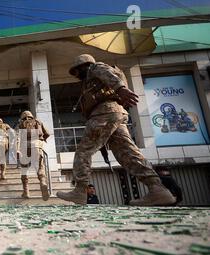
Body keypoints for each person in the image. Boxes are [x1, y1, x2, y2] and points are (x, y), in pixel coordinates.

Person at [56, 54, 176, 206]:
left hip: (104, 113)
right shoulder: (90, 81)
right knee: (128, 153)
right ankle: (158, 189)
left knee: (83, 151)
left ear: (83, 66)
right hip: (113, 115)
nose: (76, 75)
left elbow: (108, 74)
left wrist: (121, 89)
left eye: (76, 71)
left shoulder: (95, 67)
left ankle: (80, 191)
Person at [17, 110, 50, 201]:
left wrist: (17, 149)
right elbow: (47, 133)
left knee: (24, 170)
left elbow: (17, 137)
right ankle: (43, 182)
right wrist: (42, 140)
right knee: (40, 167)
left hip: (24, 147)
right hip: (37, 145)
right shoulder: (38, 122)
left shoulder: (21, 124)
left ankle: (26, 192)